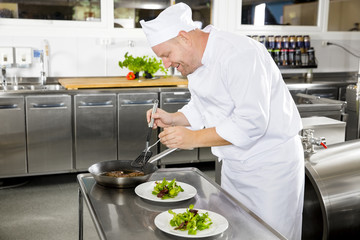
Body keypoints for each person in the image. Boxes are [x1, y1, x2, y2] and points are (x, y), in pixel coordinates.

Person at [140, 3, 304, 239]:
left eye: (166, 55)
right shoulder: (196, 63)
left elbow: (251, 122)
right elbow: (203, 106)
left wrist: (193, 138)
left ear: (184, 38)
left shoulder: (239, 53)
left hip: (270, 169)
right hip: (235, 166)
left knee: (270, 234)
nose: (165, 64)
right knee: (237, 232)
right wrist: (174, 118)